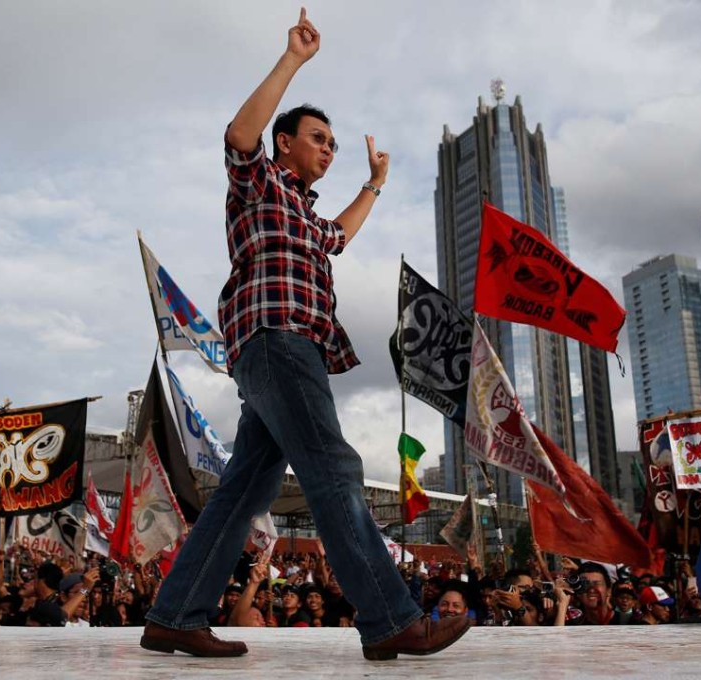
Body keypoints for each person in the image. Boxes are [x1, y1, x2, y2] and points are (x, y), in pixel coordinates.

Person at [140, 8, 469, 661]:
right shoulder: (259, 184)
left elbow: (340, 235)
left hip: (280, 349)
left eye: (333, 144)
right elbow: (239, 134)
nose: (327, 148)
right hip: (278, 338)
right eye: (318, 137)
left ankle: (175, 614)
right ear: (284, 142)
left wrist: (373, 183)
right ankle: (390, 618)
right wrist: (293, 59)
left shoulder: (307, 217)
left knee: (248, 485)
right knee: (332, 468)